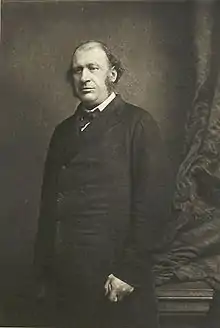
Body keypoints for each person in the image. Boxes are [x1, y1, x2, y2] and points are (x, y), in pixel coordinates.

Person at [34, 40, 173, 328]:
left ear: (112, 74)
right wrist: (44, 273)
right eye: (77, 70)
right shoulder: (62, 131)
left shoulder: (138, 123)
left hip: (115, 282)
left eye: (92, 68)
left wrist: (129, 273)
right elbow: (49, 208)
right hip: (65, 280)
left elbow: (154, 206)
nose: (84, 77)